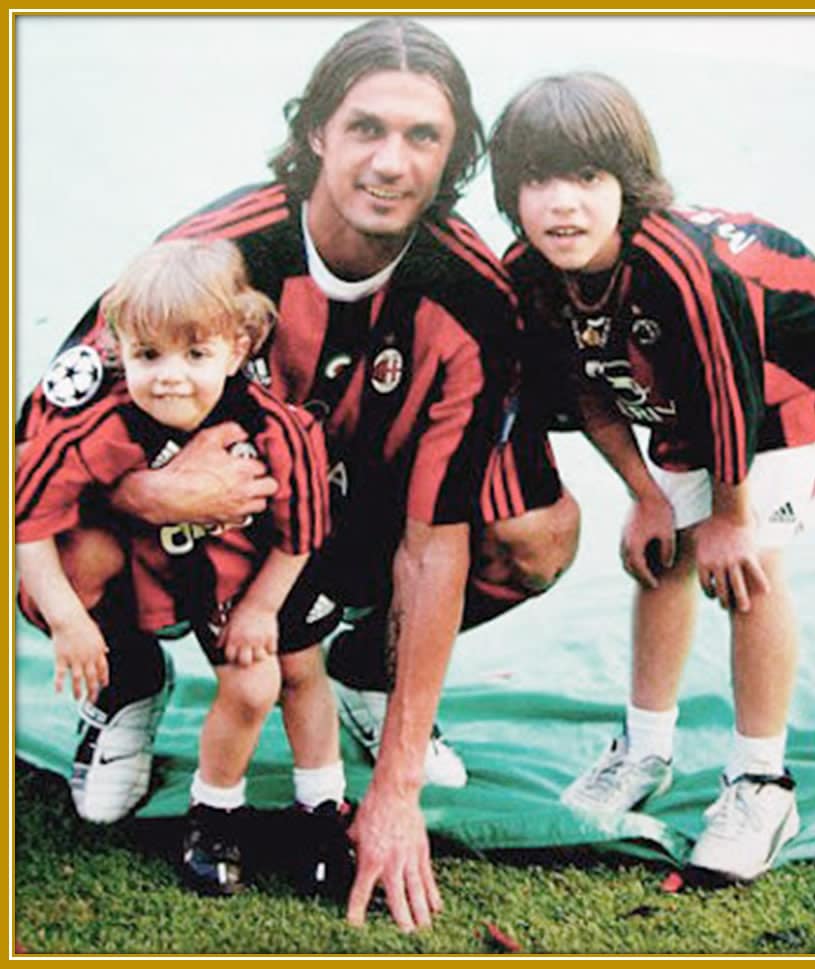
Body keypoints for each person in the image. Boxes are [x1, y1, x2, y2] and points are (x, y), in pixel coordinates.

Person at [17, 19, 578, 930]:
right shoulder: (213, 252)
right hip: (196, 524)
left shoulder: (472, 293)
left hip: (343, 521)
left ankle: (367, 668)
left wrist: (394, 790)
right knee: (55, 552)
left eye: (422, 137)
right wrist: (146, 491)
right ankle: (124, 681)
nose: (390, 162)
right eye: (366, 128)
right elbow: (34, 449)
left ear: (453, 156)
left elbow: (436, 543)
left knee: (536, 534)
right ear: (317, 130)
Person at [490, 72, 815, 883]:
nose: (561, 203)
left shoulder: (678, 268)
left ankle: (762, 778)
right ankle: (645, 749)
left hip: (791, 373)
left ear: (628, 183)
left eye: (587, 178)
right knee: (664, 555)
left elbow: (731, 391)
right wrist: (646, 496)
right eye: (536, 179)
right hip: (685, 384)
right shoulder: (528, 269)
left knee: (746, 564)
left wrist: (729, 515)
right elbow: (589, 383)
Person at [16, 238, 353, 898]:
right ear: (119, 348)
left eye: (195, 353)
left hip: (258, 575)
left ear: (239, 345)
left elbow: (302, 534)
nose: (170, 375)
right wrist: (68, 622)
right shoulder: (103, 425)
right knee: (248, 684)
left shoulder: (278, 429)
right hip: (174, 573)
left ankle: (312, 807)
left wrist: (260, 608)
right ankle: (200, 793)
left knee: (288, 675)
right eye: (148, 354)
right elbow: (28, 520)